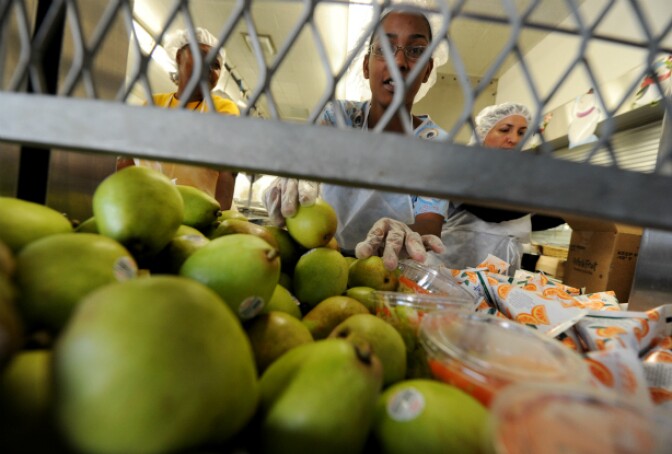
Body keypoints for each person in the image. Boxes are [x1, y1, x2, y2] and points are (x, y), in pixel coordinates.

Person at [264, 8, 447, 270]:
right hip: (318, 262)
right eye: (385, 47)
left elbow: (430, 224)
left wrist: (402, 233)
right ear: (365, 65)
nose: (399, 62)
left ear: (428, 70)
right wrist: (292, 177)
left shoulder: (435, 144)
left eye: (416, 50)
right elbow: (305, 162)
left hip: (390, 272)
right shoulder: (337, 118)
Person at [431, 102, 565, 273]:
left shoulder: (512, 177)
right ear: (483, 133)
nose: (514, 139)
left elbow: (525, 221)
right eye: (504, 130)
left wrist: (571, 212)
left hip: (499, 267)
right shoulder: (465, 166)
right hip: (455, 265)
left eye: (522, 133)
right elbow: (492, 211)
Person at [117, 27, 239, 210]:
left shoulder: (222, 109)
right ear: (179, 58)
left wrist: (220, 219)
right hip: (149, 206)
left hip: (200, 212)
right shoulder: (153, 104)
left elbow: (228, 171)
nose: (208, 68)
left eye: (216, 65)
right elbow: (127, 158)